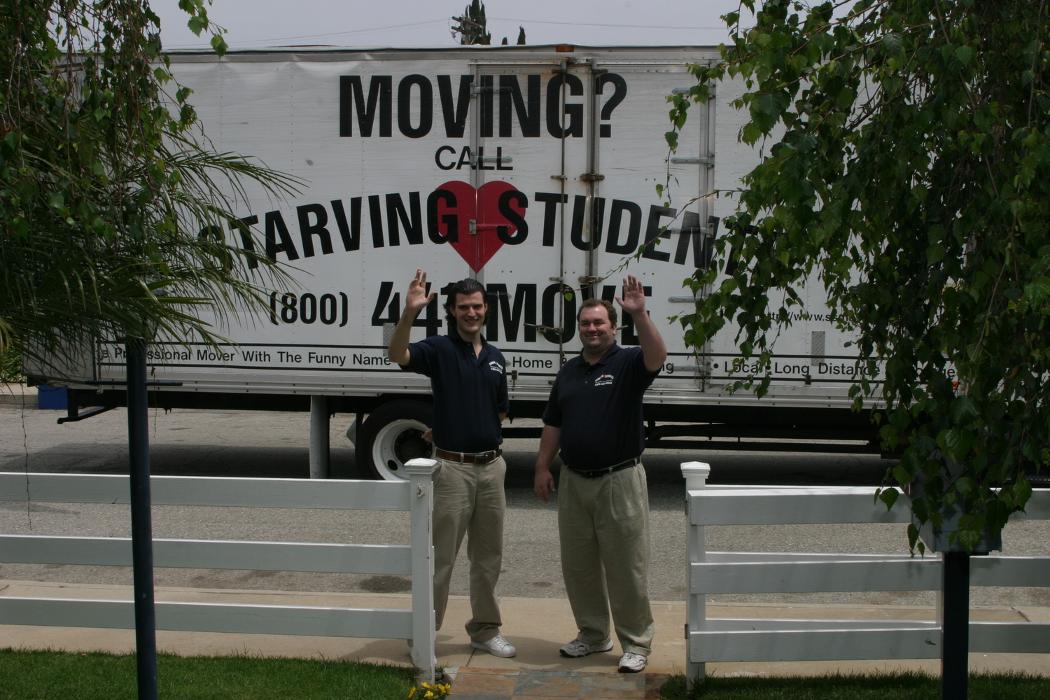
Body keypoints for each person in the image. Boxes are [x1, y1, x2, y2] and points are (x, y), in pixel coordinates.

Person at [533, 274, 667, 673]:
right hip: (575, 480)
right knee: (579, 565)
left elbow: (657, 356)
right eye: (586, 324)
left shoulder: (628, 362)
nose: (592, 329)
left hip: (619, 479)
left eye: (599, 323)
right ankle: (592, 635)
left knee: (626, 565)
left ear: (613, 327)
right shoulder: (569, 371)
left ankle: (636, 643)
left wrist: (640, 314)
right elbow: (554, 422)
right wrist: (542, 465)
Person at [387, 269, 516, 658]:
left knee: (488, 558)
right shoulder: (439, 350)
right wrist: (409, 313)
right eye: (463, 307)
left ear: (486, 309)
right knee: (440, 557)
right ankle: (425, 630)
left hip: (492, 468)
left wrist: (449, 421)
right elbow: (398, 355)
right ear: (452, 311)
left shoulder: (495, 358)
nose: (471, 313)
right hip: (452, 470)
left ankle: (485, 629)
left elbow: (500, 411)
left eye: (476, 306)